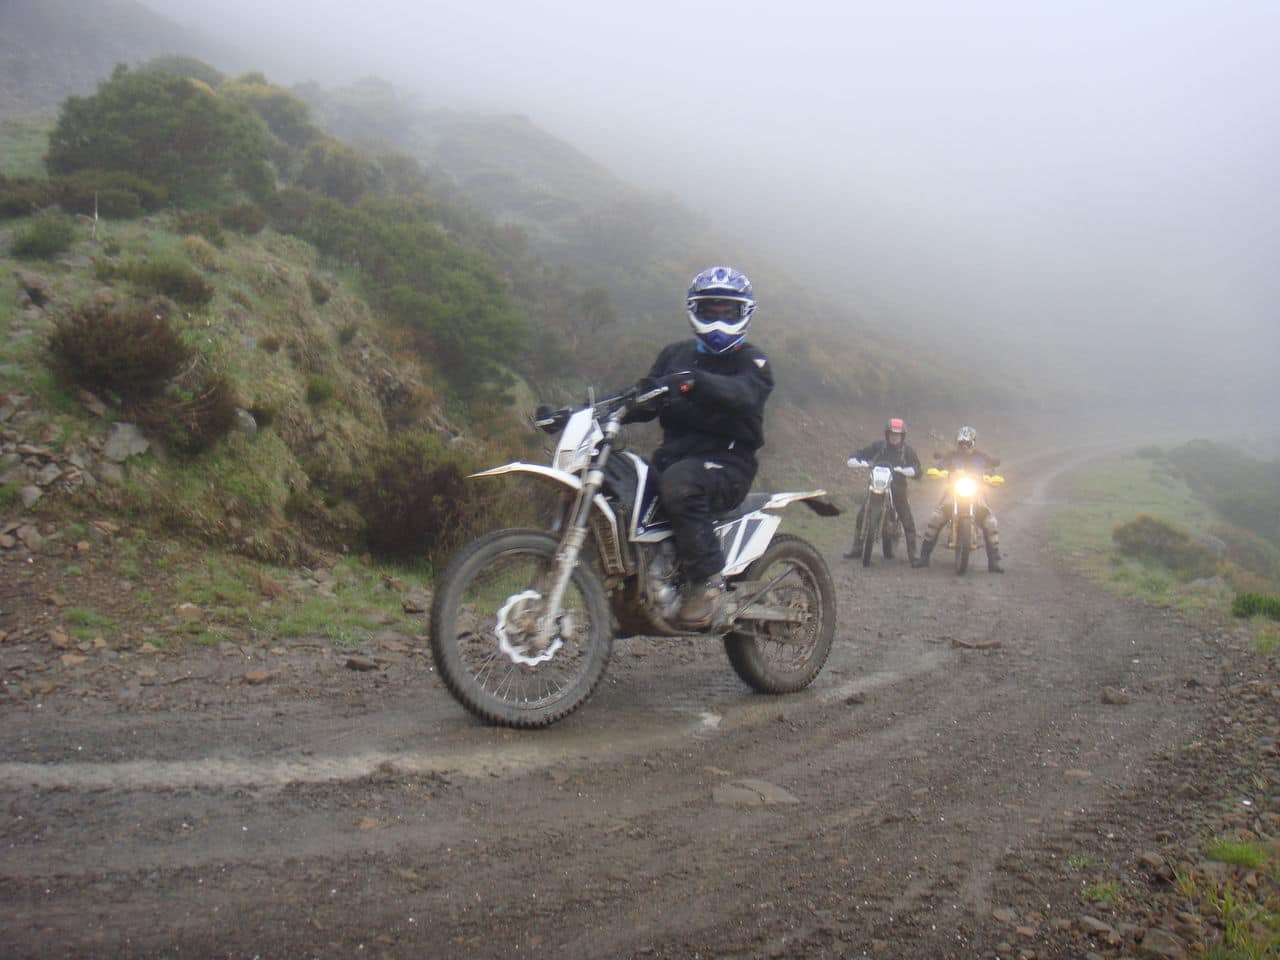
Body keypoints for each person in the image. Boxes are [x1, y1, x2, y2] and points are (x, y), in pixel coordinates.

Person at [625, 266, 774, 627]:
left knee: (680, 483)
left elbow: (744, 395)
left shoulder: (751, 361)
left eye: (728, 311)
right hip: (674, 459)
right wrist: (584, 414)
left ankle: (707, 581)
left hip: (727, 465)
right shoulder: (673, 356)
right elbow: (642, 398)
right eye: (711, 310)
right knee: (624, 482)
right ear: (695, 311)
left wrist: (697, 381)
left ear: (744, 313)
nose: (719, 318)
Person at [913, 425, 1004, 572]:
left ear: (973, 443)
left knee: (991, 522)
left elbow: (991, 470)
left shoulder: (981, 457)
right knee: (935, 518)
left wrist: (993, 477)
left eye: (967, 443)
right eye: (961, 443)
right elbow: (940, 465)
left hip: (977, 495)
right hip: (952, 493)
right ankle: (924, 557)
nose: (964, 447)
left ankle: (994, 562)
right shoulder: (951, 456)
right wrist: (937, 471)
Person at [842, 417, 922, 563]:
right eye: (892, 434)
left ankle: (914, 554)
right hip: (876, 485)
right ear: (887, 434)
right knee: (861, 515)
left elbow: (917, 468)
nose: (894, 437)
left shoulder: (907, 451)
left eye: (897, 435)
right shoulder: (879, 446)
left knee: (907, 518)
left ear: (902, 436)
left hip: (897, 487)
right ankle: (857, 548)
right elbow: (861, 453)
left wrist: (910, 470)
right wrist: (856, 459)